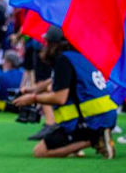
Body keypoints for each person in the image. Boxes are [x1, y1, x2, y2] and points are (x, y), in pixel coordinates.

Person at [13, 27, 117, 159]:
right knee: (58, 141)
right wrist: (35, 89)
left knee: (40, 151)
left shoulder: (63, 60)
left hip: (90, 121)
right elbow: (61, 79)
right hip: (105, 115)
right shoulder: (79, 56)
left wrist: (33, 98)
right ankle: (92, 139)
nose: (44, 47)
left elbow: (60, 98)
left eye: (47, 43)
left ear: (56, 44)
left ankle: (95, 140)